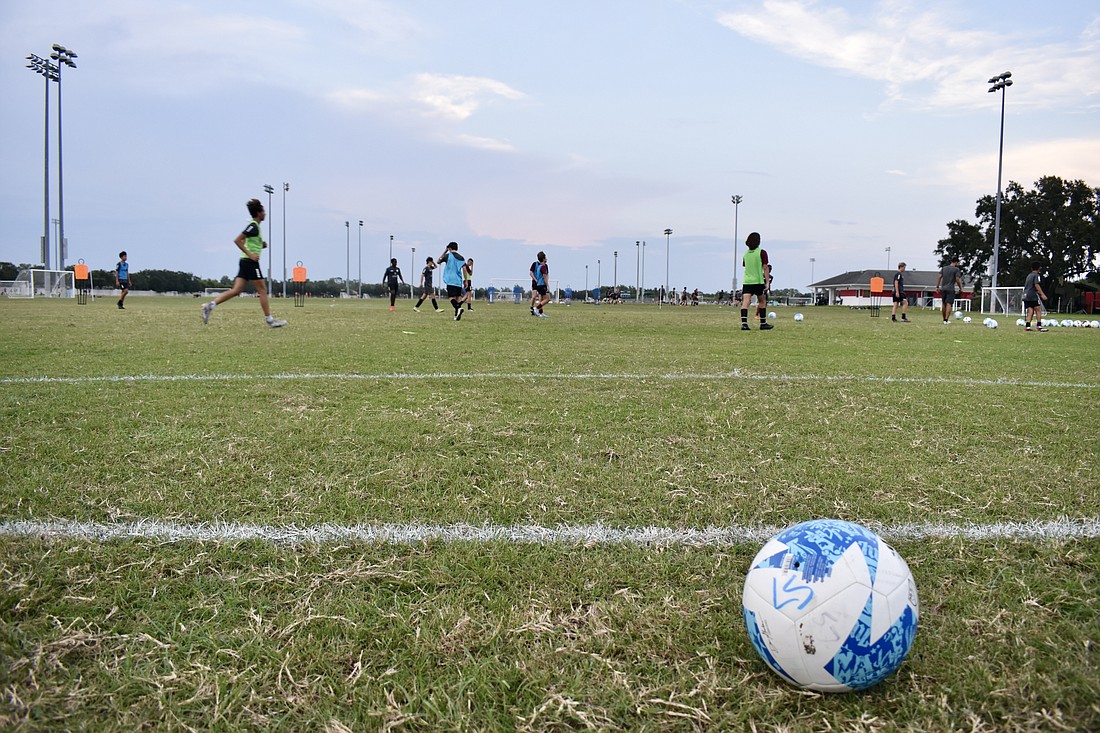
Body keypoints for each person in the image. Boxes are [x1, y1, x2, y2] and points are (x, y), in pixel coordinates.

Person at [201, 198, 286, 328]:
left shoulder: (256, 227)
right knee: (262, 290)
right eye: (263, 211)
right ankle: (270, 320)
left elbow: (250, 243)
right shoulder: (253, 226)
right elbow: (237, 240)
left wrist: (261, 245)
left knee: (236, 291)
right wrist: (251, 254)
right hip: (250, 262)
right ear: (258, 213)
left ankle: (210, 306)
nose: (265, 214)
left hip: (244, 261)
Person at [740, 232, 773, 330]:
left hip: (747, 281)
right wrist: (767, 282)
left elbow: (745, 265)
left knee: (745, 302)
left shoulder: (745, 253)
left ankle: (744, 324)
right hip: (758, 281)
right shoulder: (762, 252)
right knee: (762, 301)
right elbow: (765, 267)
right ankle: (763, 324)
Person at [438, 241, 467, 321]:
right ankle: (456, 316)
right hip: (458, 280)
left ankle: (458, 309)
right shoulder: (461, 257)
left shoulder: (448, 256)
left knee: (451, 297)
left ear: (449, 248)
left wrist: (444, 251)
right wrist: (465, 280)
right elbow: (464, 269)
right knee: (458, 298)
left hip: (450, 279)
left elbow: (438, 261)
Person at [936, 256, 963, 324]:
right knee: (949, 304)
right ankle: (946, 320)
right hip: (950, 288)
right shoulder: (956, 269)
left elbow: (939, 277)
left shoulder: (944, 268)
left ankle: (944, 319)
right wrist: (960, 288)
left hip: (943, 288)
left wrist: (937, 286)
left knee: (943, 303)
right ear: (956, 262)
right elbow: (957, 279)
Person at [1023, 261, 1049, 332]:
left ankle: (1027, 326)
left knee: (1030, 309)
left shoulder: (1029, 275)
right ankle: (1039, 326)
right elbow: (1036, 285)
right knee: (1038, 309)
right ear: (1039, 268)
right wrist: (1042, 294)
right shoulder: (1036, 275)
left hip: (1026, 294)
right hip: (1032, 294)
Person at [530, 251, 551, 318]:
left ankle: (540, 313)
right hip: (542, 285)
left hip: (539, 285)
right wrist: (547, 285)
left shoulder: (540, 267)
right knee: (547, 299)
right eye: (546, 257)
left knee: (541, 300)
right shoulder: (543, 267)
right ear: (544, 258)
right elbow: (545, 277)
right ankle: (536, 309)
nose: (546, 258)